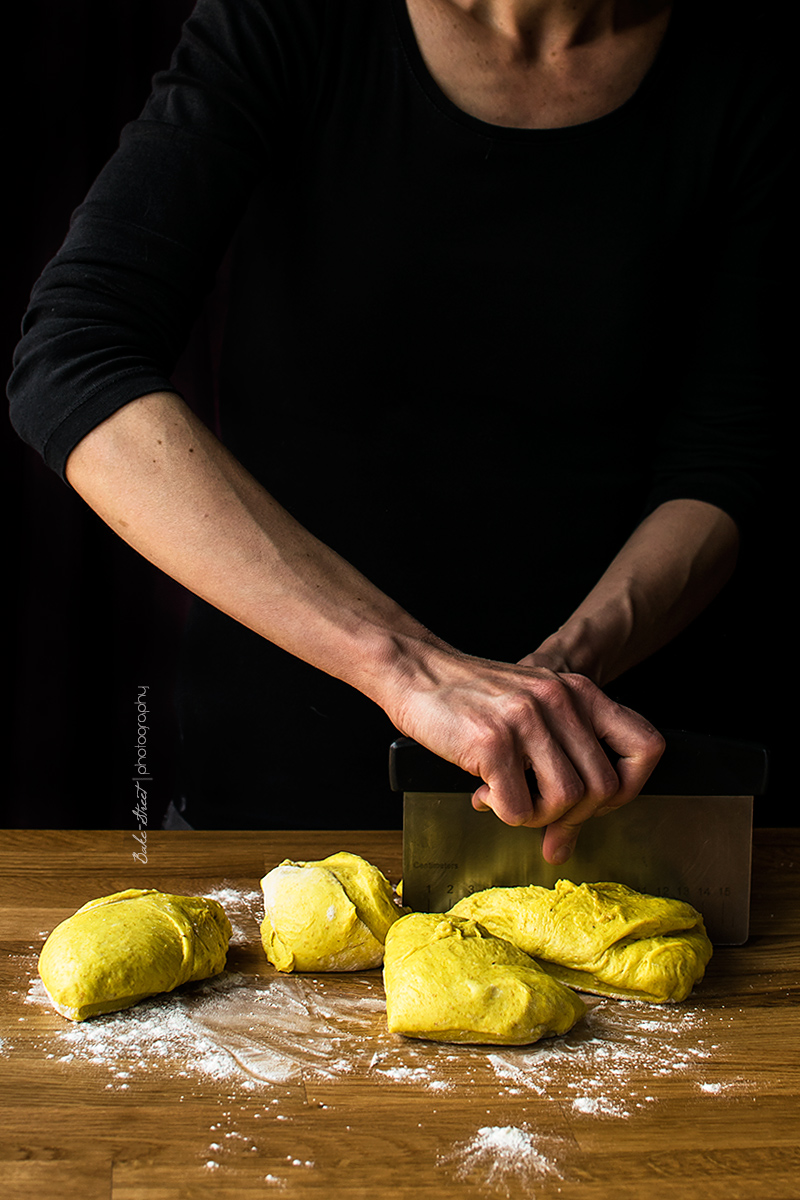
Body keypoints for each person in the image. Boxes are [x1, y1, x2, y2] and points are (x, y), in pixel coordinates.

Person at [8, 0, 787, 858]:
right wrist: (411, 671)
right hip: (282, 779)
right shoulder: (291, 20)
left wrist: (555, 684)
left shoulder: (750, 69)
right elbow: (75, 357)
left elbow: (724, 459)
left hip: (612, 781)